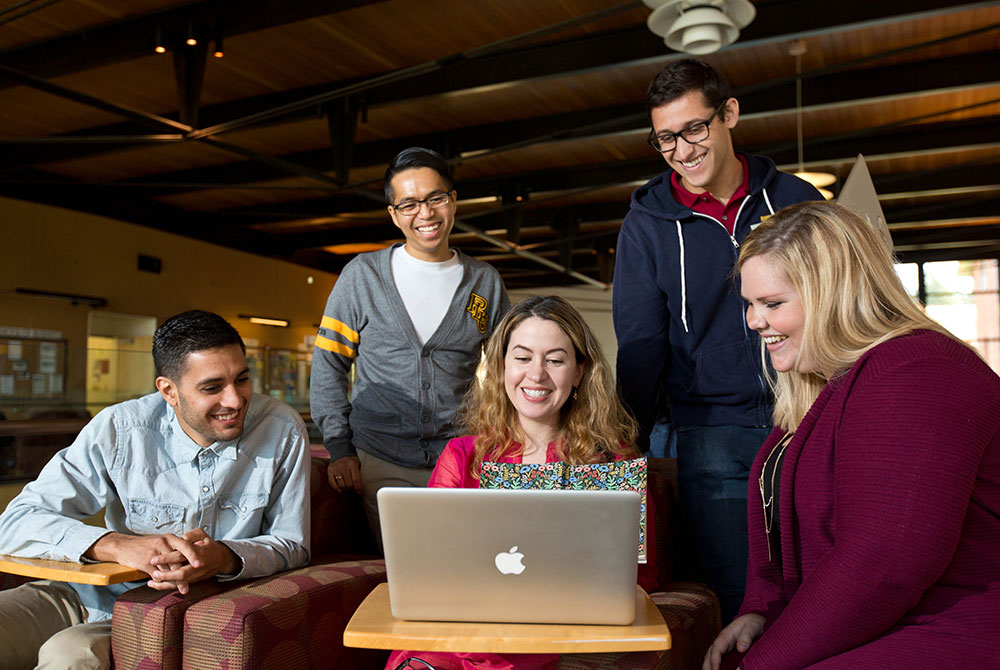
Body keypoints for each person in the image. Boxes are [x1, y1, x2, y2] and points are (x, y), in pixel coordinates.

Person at [702, 201, 1000, 670]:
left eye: (772, 304)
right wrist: (762, 609)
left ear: (832, 294)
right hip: (882, 625)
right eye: (750, 305)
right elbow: (782, 523)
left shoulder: (917, 372)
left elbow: (882, 566)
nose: (754, 322)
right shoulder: (822, 388)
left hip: (953, 626)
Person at [612, 58, 822, 620]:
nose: (682, 150)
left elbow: (838, 304)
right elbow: (639, 342)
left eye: (694, 129)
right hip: (710, 431)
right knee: (735, 596)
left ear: (729, 113)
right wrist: (629, 441)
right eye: (665, 139)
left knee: (816, 583)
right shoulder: (647, 225)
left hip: (805, 415)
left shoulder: (797, 198)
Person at [0, 310, 311, 670]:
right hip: (80, 594)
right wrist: (115, 545)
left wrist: (224, 557)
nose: (236, 400)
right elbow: (16, 521)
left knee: (70, 655)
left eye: (241, 379)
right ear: (169, 391)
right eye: (212, 388)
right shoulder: (120, 428)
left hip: (162, 612)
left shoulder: (282, 429)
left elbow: (293, 544)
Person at [387, 295, 656, 670]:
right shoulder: (463, 457)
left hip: (560, 634)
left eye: (556, 359)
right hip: (462, 634)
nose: (537, 374)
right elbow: (432, 569)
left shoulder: (611, 458)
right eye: (523, 357)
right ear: (501, 367)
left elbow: (642, 571)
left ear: (579, 372)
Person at [310, 147, 509, 547]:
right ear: (393, 213)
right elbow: (328, 364)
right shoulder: (362, 276)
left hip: (463, 455)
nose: (426, 213)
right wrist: (339, 447)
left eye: (436, 198)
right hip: (381, 456)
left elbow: (508, 367)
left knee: (466, 560)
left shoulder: (484, 282)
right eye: (410, 204)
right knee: (408, 567)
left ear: (453, 201)